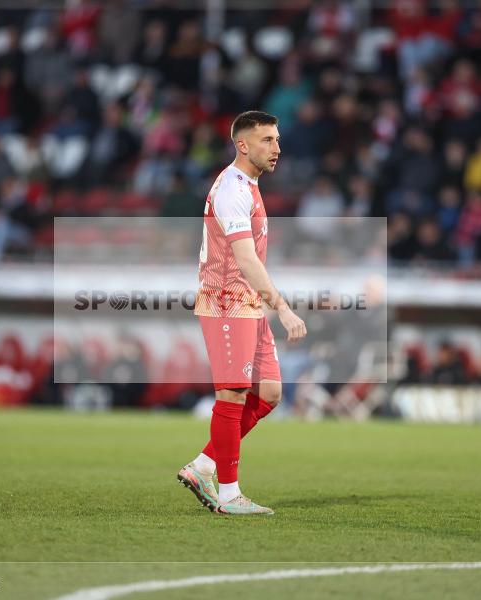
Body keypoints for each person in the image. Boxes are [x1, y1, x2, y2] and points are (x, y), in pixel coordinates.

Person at [178, 111, 307, 516]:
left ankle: (203, 467)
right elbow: (246, 259)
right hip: (227, 300)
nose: (277, 148)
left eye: (278, 139)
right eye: (268, 140)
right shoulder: (233, 189)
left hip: (246, 301)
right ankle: (230, 495)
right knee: (232, 394)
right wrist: (283, 309)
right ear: (243, 145)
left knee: (268, 394)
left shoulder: (247, 185)